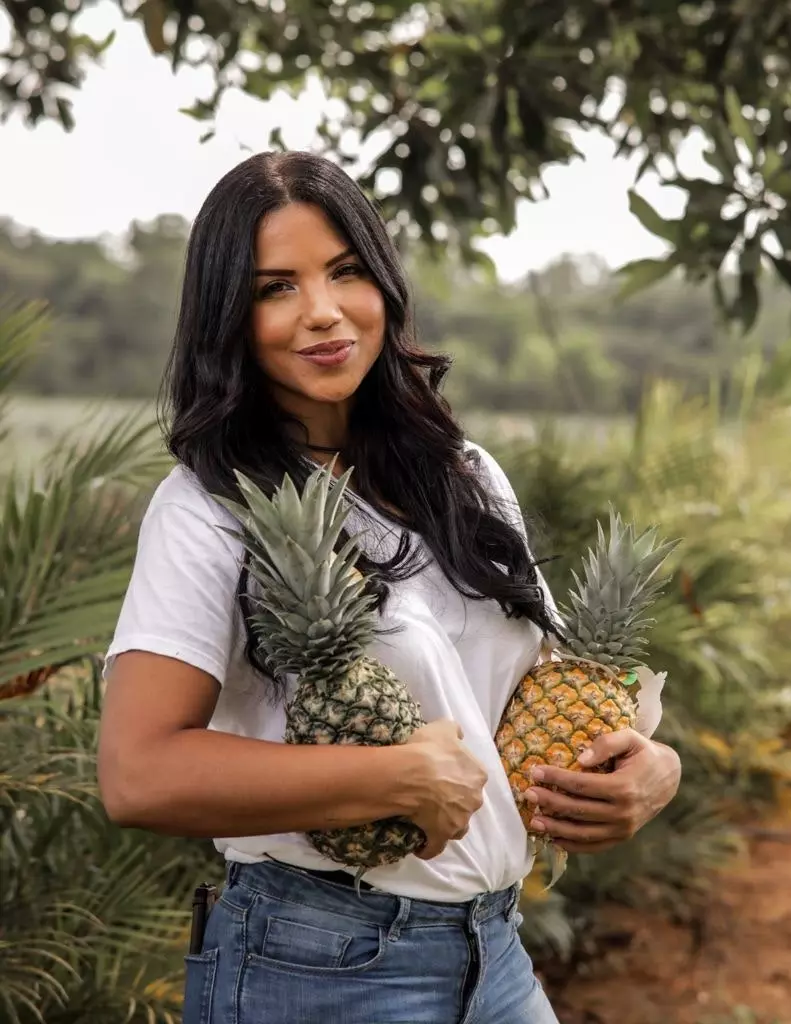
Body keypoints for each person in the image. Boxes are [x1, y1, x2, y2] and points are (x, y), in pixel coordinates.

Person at [97, 150, 681, 1024]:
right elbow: (137, 774)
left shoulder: (465, 475)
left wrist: (653, 768)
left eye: (344, 272)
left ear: (384, 284)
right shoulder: (206, 509)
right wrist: (394, 777)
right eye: (274, 288)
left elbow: (543, 682)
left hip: (494, 951)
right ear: (229, 318)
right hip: (317, 961)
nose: (322, 312)